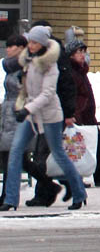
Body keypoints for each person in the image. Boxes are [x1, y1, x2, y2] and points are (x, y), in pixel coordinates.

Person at [1, 25, 87, 211]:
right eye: (29, 42)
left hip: (49, 115)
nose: (30, 45)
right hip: (31, 115)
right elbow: (26, 88)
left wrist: (27, 108)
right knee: (15, 151)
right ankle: (10, 199)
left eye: (34, 42)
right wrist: (21, 106)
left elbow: (48, 93)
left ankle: (79, 192)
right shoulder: (28, 61)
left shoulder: (50, 64)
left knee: (58, 154)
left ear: (42, 43)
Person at [26, 19, 75, 207]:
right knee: (45, 155)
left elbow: (65, 85)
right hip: (37, 113)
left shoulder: (54, 56)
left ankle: (54, 189)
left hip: (52, 114)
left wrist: (68, 112)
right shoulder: (32, 56)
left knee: (44, 155)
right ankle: (66, 184)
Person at [67, 37, 100, 188]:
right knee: (78, 149)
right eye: (78, 52)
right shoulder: (72, 73)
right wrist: (76, 114)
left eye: (83, 51)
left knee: (96, 146)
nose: (82, 55)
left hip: (87, 116)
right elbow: (75, 96)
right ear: (71, 55)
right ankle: (84, 179)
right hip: (80, 117)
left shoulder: (81, 71)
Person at [1, 34, 27, 204]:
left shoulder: (25, 66)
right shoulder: (9, 67)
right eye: (8, 46)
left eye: (12, 46)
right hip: (7, 114)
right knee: (9, 155)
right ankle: (6, 195)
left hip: (19, 113)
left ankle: (9, 197)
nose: (8, 49)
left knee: (13, 155)